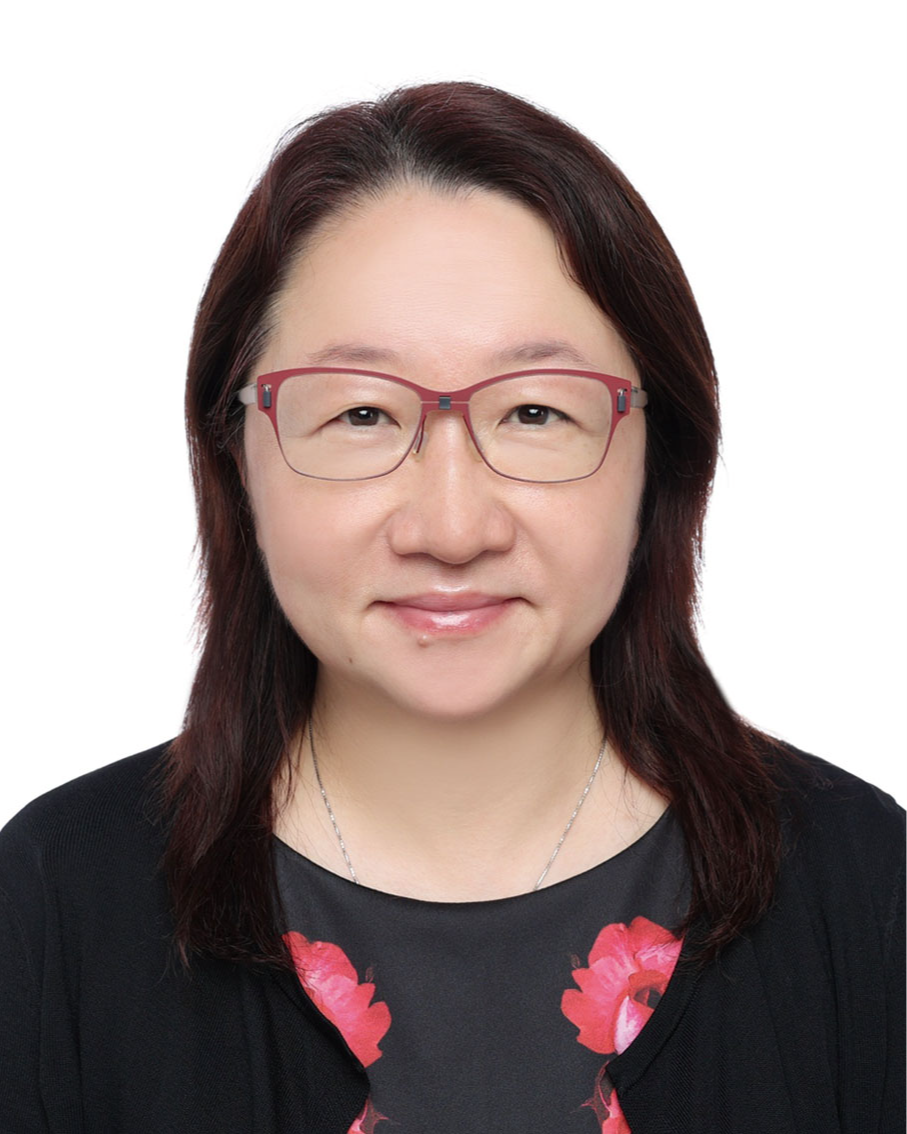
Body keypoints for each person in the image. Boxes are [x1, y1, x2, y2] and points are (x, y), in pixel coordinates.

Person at [0, 81, 903, 1134]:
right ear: (235, 457)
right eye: (359, 414)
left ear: (660, 459)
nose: (451, 525)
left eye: (535, 412)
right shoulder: (56, 903)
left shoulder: (864, 891)